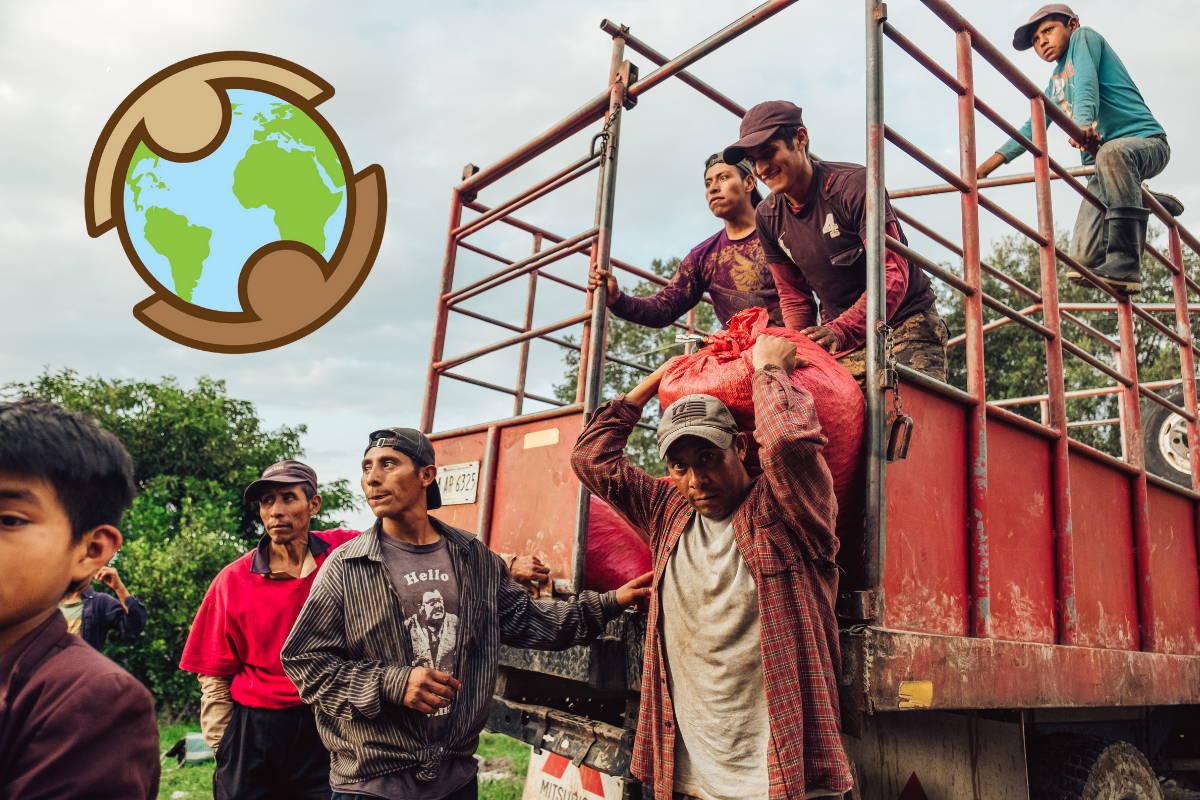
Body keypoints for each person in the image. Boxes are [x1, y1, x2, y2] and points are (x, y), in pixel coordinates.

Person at [282, 427, 652, 800]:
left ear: (426, 475)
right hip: (372, 785)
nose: (372, 479)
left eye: (388, 464)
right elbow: (305, 662)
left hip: (454, 780)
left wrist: (610, 602)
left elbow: (533, 622)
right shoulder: (347, 566)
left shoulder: (473, 558)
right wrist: (393, 683)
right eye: (366, 468)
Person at [571, 336, 852, 800]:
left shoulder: (788, 509)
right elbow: (590, 458)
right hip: (691, 768)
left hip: (781, 772)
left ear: (741, 447)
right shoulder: (666, 509)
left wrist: (768, 371)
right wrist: (656, 381)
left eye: (709, 458)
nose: (696, 480)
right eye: (679, 466)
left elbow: (785, 444)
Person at [0, 400, 160, 799]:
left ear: (90, 551)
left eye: (9, 520)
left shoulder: (94, 699)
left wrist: (120, 589)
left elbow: (133, 625)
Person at [724, 100, 948, 384]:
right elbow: (794, 297)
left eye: (768, 153)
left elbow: (893, 272)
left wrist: (840, 330)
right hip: (841, 339)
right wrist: (800, 348)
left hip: (905, 324)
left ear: (800, 138)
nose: (761, 169)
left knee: (901, 419)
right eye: (753, 161)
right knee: (825, 416)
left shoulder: (852, 185)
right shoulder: (767, 216)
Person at [179, 459, 359, 800]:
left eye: (288, 498)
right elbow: (213, 675)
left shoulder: (344, 554)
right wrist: (224, 748)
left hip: (327, 723)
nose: (276, 511)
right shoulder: (233, 580)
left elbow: (402, 539)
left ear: (313, 504)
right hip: (255, 729)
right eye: (267, 501)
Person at [978, 4, 1180, 295]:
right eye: (1035, 40)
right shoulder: (1055, 84)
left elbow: (1086, 84)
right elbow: (1030, 128)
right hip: (1103, 169)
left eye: (1048, 31)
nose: (1042, 42)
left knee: (1111, 152)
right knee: (1081, 263)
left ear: (1071, 24)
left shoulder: (1084, 38)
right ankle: (1143, 198)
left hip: (1146, 143)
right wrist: (984, 169)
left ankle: (1126, 263)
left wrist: (1082, 123)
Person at [589, 153, 782, 329]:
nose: (713, 188)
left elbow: (812, 277)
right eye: (707, 183)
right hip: (738, 353)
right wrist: (617, 299)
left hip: (790, 346)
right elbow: (663, 309)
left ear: (749, 183)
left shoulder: (781, 231)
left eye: (723, 178)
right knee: (669, 368)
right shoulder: (702, 256)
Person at [59, 564, 147, 651]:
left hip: (85, 664)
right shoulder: (49, 602)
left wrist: (118, 587)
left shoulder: (99, 602)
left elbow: (134, 627)